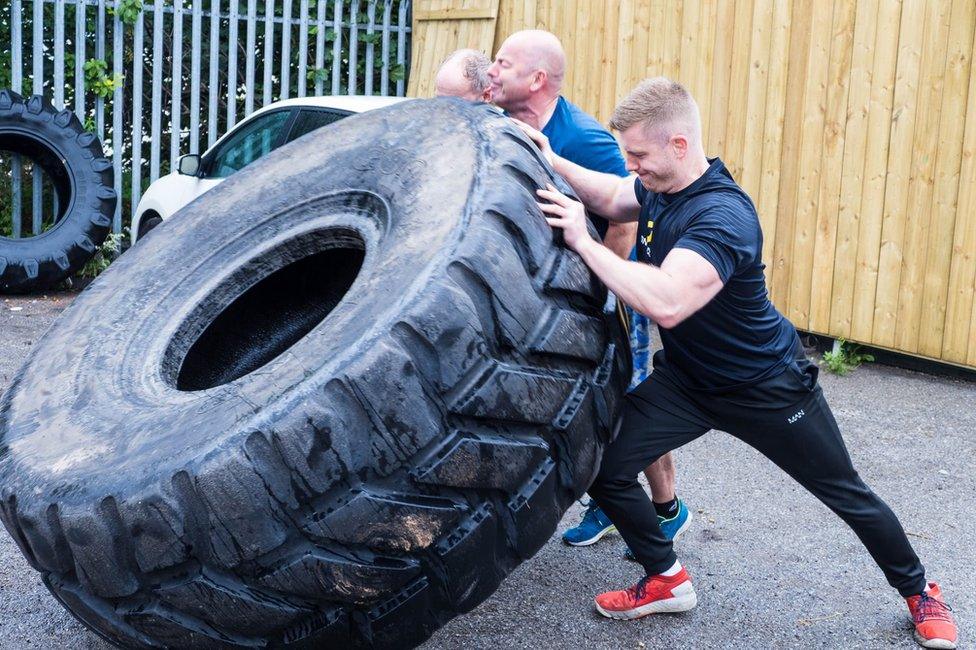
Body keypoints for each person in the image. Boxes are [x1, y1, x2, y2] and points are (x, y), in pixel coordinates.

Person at [515, 77, 957, 649]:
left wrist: (584, 242)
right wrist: (555, 162)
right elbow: (609, 195)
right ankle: (666, 580)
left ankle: (920, 590)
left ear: (679, 145)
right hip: (691, 383)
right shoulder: (658, 186)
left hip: (766, 386)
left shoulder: (723, 217)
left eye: (639, 155)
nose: (632, 166)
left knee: (846, 493)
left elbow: (668, 301)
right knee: (604, 464)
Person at [487, 29, 691, 551]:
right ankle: (608, 499)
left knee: (632, 399)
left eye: (502, 64)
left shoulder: (584, 137)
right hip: (551, 300)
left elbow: (626, 212)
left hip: (613, 291)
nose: (492, 71)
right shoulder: (505, 125)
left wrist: (604, 289)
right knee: (590, 404)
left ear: (536, 79)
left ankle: (668, 508)